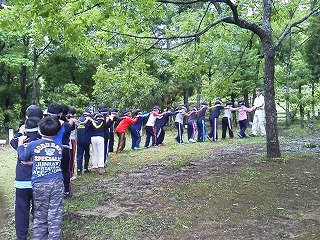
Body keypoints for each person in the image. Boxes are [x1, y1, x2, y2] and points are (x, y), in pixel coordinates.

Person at [17, 116, 64, 240]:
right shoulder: (60, 147)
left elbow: (23, 157)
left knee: (40, 215)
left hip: (39, 184)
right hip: (57, 183)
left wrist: (20, 144)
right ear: (58, 131)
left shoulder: (33, 145)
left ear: (39, 131)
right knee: (55, 214)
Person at [10, 106, 43, 240]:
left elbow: (14, 142)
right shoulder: (44, 139)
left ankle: (21, 236)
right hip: (39, 180)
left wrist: (21, 132)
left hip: (22, 181)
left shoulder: (19, 140)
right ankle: (39, 233)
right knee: (39, 208)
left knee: (21, 209)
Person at [48, 104, 76, 197]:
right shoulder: (66, 124)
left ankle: (52, 190)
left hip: (50, 148)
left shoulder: (46, 124)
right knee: (65, 170)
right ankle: (66, 190)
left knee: (51, 170)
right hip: (64, 148)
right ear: (60, 114)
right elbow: (71, 129)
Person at [75, 109, 92, 174]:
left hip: (79, 140)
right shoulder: (89, 120)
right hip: (87, 141)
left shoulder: (78, 119)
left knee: (79, 155)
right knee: (87, 154)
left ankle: (79, 170)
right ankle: (85, 168)